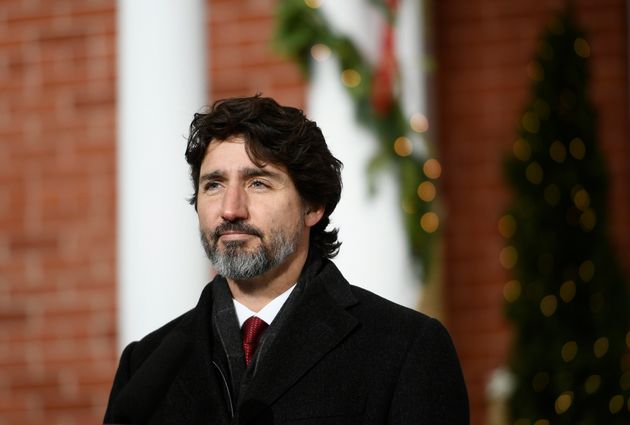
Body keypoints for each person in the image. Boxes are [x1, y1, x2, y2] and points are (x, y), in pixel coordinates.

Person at [104, 95, 469, 425]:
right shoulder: (145, 364)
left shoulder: (406, 347)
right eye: (213, 184)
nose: (230, 209)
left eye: (258, 183)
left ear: (313, 206)